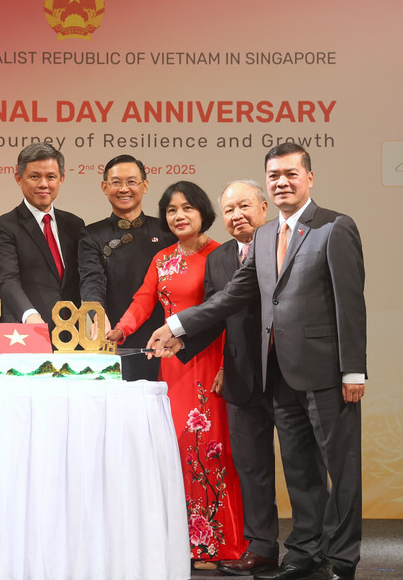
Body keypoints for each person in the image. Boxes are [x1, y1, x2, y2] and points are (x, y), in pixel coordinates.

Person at [149, 143, 366, 580]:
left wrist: (353, 370)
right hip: (278, 375)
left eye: (290, 174)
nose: (282, 182)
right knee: (300, 471)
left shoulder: (334, 226)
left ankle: (342, 559)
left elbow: (351, 303)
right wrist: (177, 325)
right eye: (274, 175)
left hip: (326, 372)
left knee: (340, 470)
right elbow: (233, 295)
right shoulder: (265, 237)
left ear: (309, 178)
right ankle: (303, 552)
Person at [107, 181, 248, 568]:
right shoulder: (162, 258)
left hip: (210, 361)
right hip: (172, 366)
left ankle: (217, 544)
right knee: (178, 451)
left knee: (211, 450)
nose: (179, 216)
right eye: (171, 210)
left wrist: (227, 365)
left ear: (203, 212)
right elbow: (143, 300)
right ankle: (182, 542)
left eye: (187, 208)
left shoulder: (221, 254)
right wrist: (121, 329)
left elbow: (231, 313)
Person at [178, 180, 279, 577]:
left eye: (244, 206)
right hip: (240, 378)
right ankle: (262, 547)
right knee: (251, 468)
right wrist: (179, 341)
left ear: (264, 208)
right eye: (229, 210)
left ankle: (312, 548)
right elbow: (215, 314)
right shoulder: (219, 258)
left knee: (303, 468)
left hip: (287, 374)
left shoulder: (286, 244)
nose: (237, 216)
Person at [78, 155, 174, 381]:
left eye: (131, 182)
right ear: (104, 187)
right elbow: (92, 280)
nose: (124, 189)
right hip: (113, 334)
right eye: (116, 182)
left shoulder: (167, 231)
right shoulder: (91, 234)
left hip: (163, 337)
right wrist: (97, 314)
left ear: (145, 185)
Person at [0, 142, 84, 329]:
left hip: (70, 331)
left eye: (51, 177)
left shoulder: (75, 225)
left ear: (61, 179)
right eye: (35, 176)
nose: (43, 184)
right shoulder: (3, 227)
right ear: (18, 178)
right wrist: (29, 315)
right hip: (25, 330)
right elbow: (6, 280)